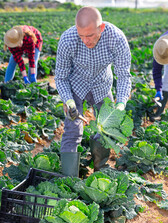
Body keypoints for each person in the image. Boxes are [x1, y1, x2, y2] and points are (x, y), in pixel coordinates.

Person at [55, 6, 131, 177]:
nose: (85, 40)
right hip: (76, 84)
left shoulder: (116, 38)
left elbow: (124, 75)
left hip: (102, 84)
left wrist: (120, 104)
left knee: (106, 129)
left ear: (101, 28)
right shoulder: (68, 39)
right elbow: (60, 77)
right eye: (81, 35)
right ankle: (70, 181)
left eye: (90, 35)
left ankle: (99, 171)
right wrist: (68, 101)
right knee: (72, 130)